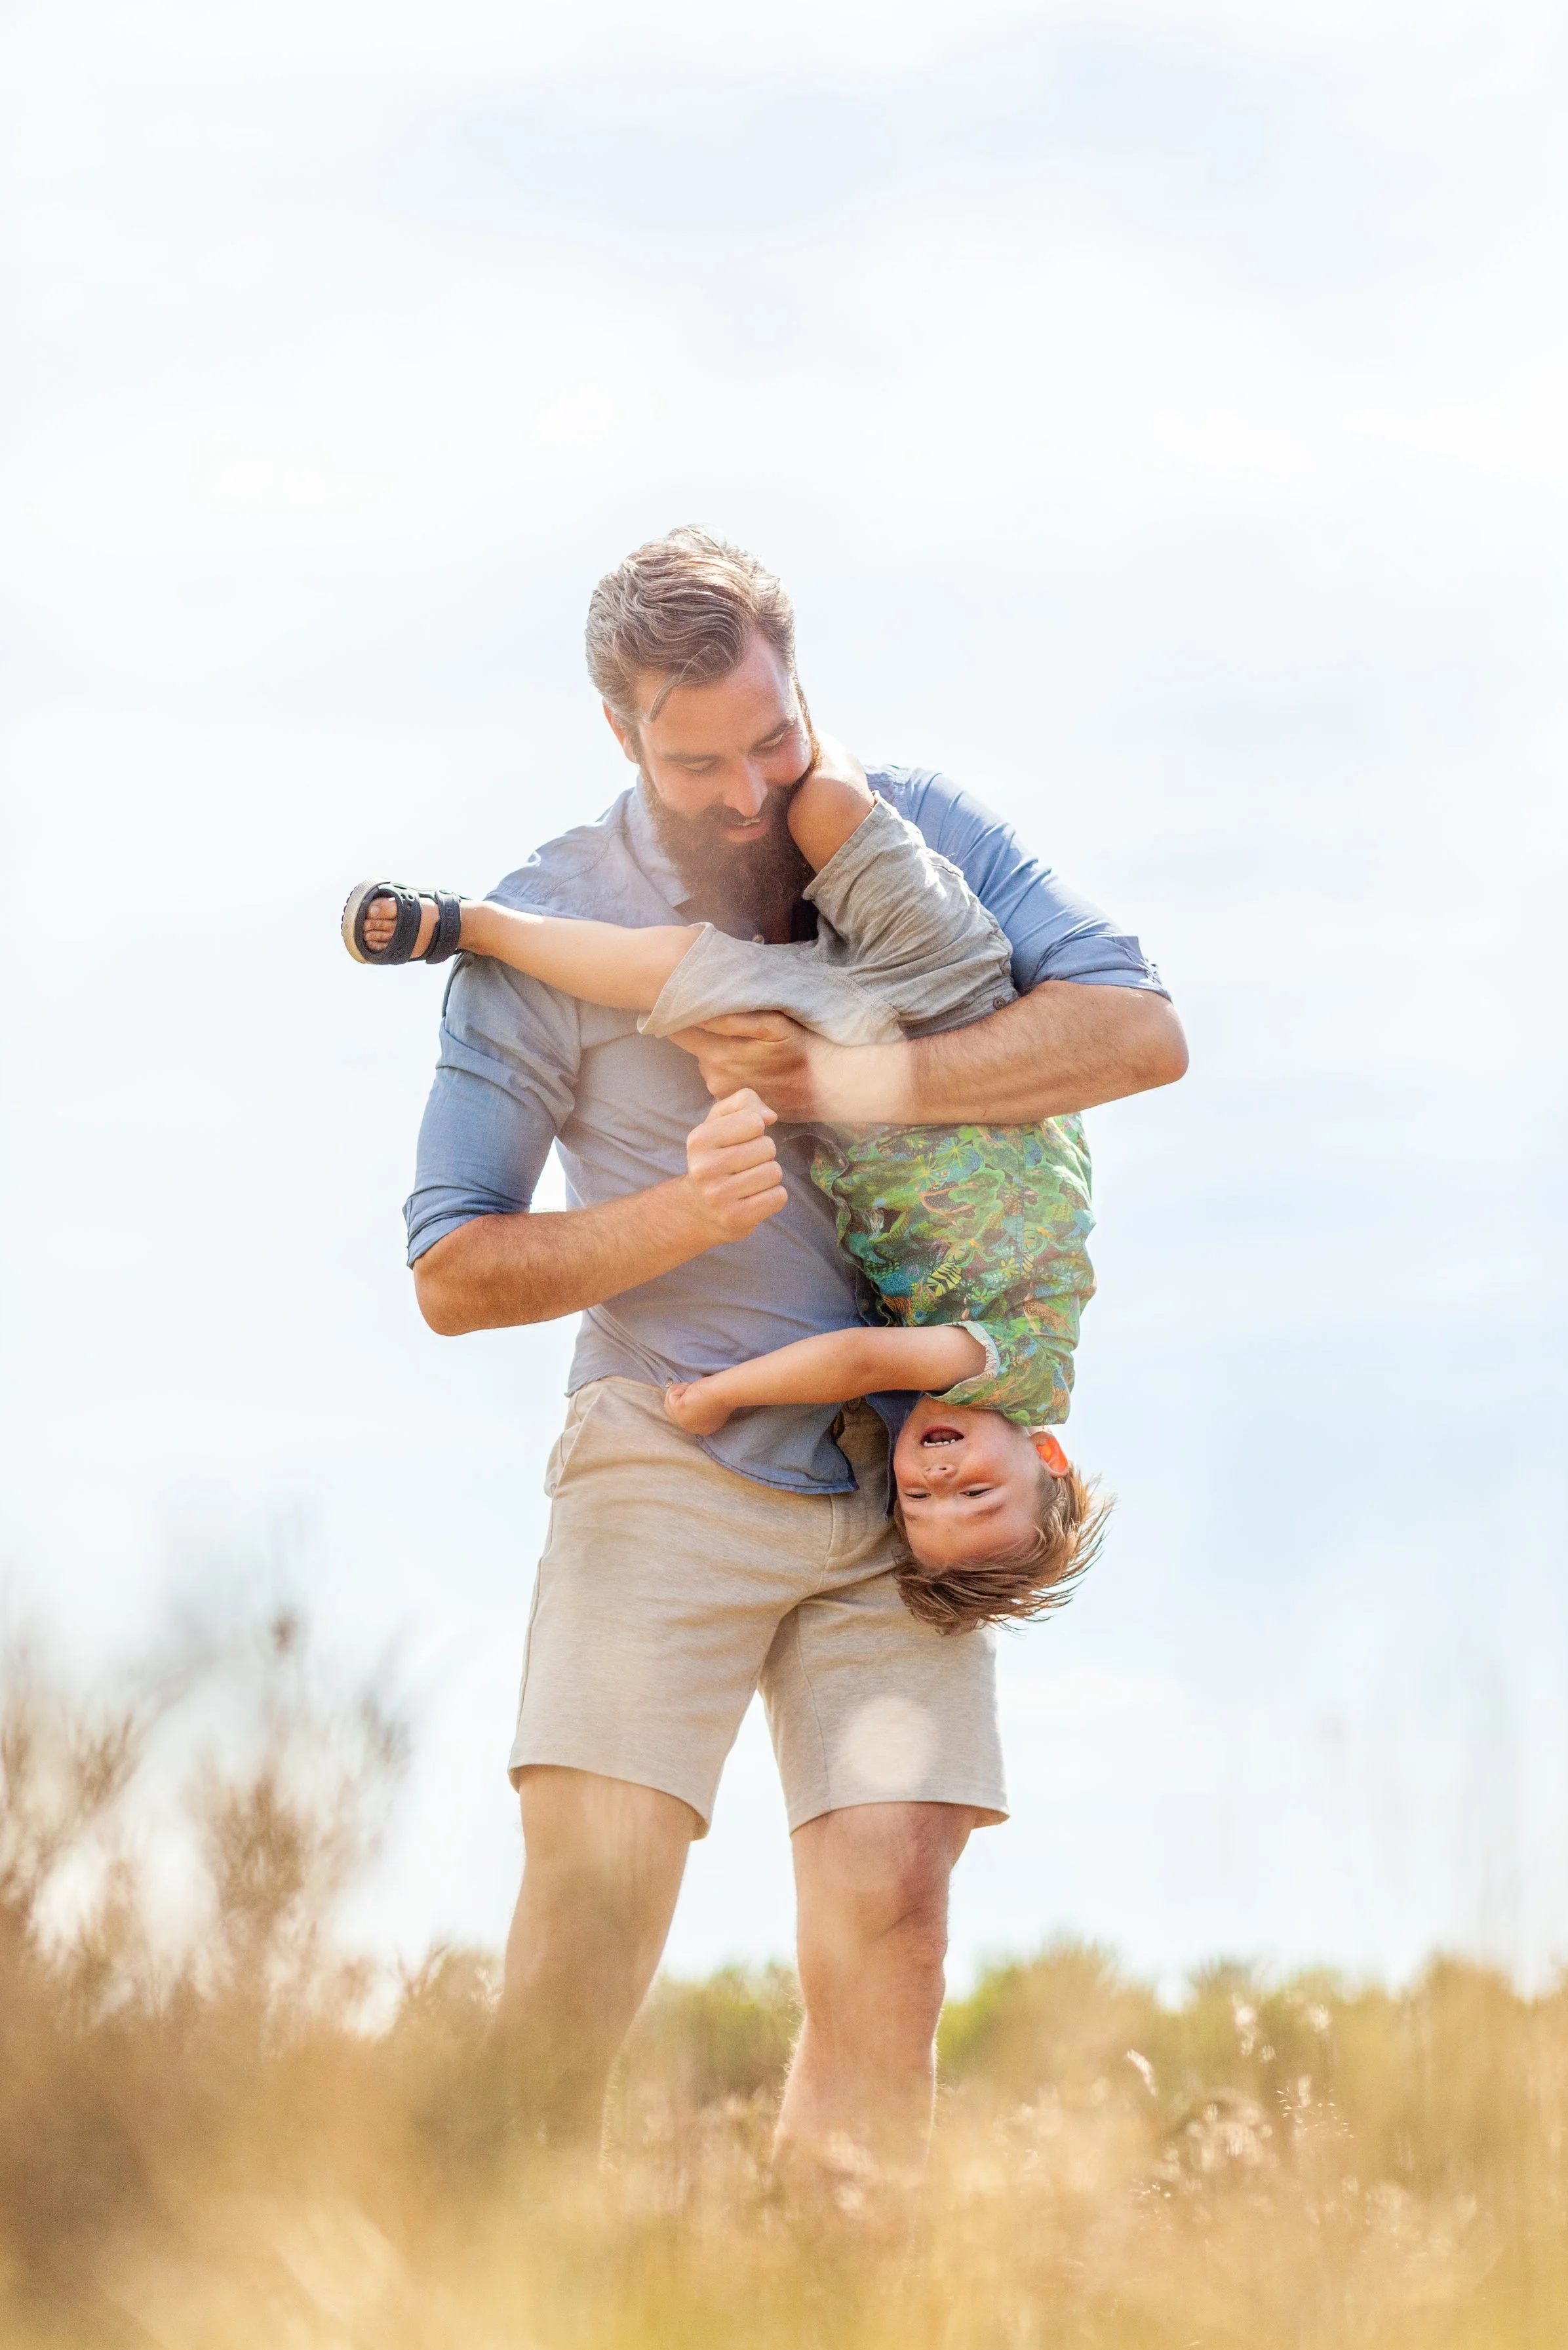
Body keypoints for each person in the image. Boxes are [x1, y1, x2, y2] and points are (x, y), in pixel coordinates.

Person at [393, 528, 1186, 2178]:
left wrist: (838, 1084)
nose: (753, 788)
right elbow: (454, 1270)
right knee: (590, 1926)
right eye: (702, 759)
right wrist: (670, 1224)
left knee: (891, 1927)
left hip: (908, 1500)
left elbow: (1134, 1032)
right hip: (664, 1460)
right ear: (623, 735)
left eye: (776, 735)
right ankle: (497, 2320)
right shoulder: (542, 931)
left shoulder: (914, 833)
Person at [343, 740, 1110, 1635]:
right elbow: (857, 1362)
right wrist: (723, 1395)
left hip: (848, 1062)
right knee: (821, 803)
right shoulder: (1018, 1372)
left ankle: (470, 925)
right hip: (949, 999)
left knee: (690, 982)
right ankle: (782, 719)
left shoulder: (946, 1392)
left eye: (922, 1503)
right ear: (1048, 1455)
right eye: (977, 1492)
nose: (938, 1482)